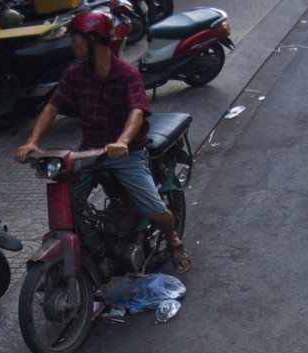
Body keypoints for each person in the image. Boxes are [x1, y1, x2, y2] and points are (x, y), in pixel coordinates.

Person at [14, 10, 191, 275]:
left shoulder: (127, 74)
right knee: (69, 204)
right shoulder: (75, 73)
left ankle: (174, 240)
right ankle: (94, 249)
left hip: (127, 153)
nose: (72, 43)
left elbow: (137, 112)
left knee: (154, 210)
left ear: (93, 39)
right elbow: (52, 107)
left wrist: (122, 141)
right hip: (89, 152)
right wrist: (32, 141)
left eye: (75, 38)